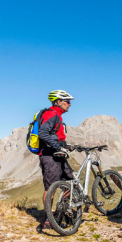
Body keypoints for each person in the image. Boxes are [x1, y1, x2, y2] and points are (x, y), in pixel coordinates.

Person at [38, 90, 75, 229]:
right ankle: (48, 219)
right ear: (58, 102)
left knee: (70, 183)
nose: (69, 104)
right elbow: (43, 133)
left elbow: (55, 136)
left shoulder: (57, 115)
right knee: (50, 187)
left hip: (58, 155)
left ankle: (61, 213)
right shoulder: (51, 114)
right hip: (49, 156)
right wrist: (57, 147)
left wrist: (65, 146)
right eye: (67, 101)